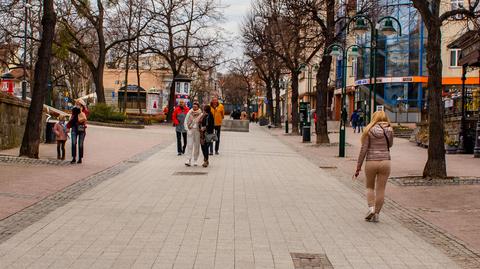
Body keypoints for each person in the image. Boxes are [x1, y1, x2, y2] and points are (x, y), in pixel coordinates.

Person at [354, 111, 394, 223]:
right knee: (381, 189)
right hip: (385, 161)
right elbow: (390, 144)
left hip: (371, 161)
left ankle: (371, 208)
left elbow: (364, 150)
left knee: (369, 187)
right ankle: (376, 214)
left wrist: (358, 166)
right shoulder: (390, 130)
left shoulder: (368, 130)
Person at [67, 100, 88, 164]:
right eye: (76, 103)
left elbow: (85, 116)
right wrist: (68, 126)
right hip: (74, 128)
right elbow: (72, 118)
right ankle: (73, 158)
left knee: (80, 144)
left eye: (78, 103)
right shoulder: (74, 110)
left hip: (81, 128)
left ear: (81, 104)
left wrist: (81, 110)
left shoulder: (85, 110)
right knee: (73, 143)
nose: (77, 104)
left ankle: (80, 158)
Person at [184, 102, 203, 166]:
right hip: (190, 130)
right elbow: (185, 121)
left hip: (197, 131)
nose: (194, 108)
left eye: (195, 107)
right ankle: (188, 159)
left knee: (197, 146)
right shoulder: (189, 112)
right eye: (193, 106)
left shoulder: (201, 114)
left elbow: (202, 123)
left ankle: (195, 160)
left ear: (198, 107)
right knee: (189, 145)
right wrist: (187, 129)